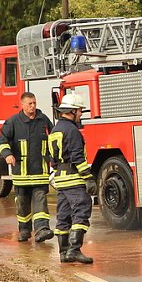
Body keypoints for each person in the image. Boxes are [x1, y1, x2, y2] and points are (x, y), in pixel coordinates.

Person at [0, 92, 54, 243]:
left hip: (40, 172)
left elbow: (54, 139)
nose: (33, 106)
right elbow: (2, 140)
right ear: (22, 105)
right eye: (30, 103)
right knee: (22, 205)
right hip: (21, 174)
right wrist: (8, 154)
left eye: (34, 103)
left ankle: (42, 229)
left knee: (40, 201)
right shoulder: (13, 122)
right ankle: (24, 230)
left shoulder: (43, 120)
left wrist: (54, 159)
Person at [48, 93, 96, 264]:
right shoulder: (72, 130)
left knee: (63, 215)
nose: (81, 114)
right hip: (74, 179)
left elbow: (52, 158)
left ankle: (63, 252)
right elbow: (77, 157)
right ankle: (74, 250)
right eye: (80, 111)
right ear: (73, 111)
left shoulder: (55, 130)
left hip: (60, 179)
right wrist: (88, 178)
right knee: (81, 210)